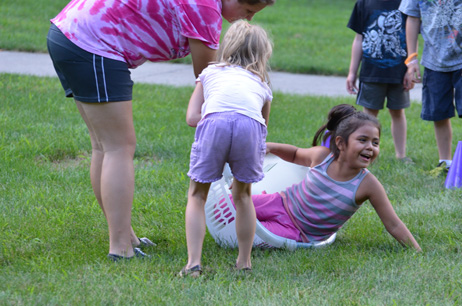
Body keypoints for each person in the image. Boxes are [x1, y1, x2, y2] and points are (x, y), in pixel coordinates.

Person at [46, 0, 275, 261]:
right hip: (92, 41)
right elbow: (211, 82)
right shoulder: (206, 9)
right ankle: (121, 248)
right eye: (249, 10)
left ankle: (124, 236)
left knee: (104, 146)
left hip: (70, 32)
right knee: (118, 147)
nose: (248, 17)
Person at [231, 104, 421, 251]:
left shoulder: (368, 185)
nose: (370, 147)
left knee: (249, 232)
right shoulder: (323, 157)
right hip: (279, 202)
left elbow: (393, 223)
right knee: (231, 204)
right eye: (362, 140)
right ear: (340, 143)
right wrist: (269, 147)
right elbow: (296, 154)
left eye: (375, 142)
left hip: (299, 232)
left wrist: (416, 250)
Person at [180, 20, 273, 277]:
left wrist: (217, 118)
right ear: (262, 54)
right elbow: (262, 126)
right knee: (243, 197)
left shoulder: (210, 73)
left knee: (197, 195)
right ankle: (244, 263)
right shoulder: (263, 86)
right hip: (250, 129)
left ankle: (193, 264)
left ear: (227, 46)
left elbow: (191, 117)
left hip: (215, 125)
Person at [346, 0, 414, 163]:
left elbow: (412, 38)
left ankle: (401, 155)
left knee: (398, 112)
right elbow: (358, 39)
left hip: (399, 72)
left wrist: (410, 67)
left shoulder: (407, 4)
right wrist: (352, 72)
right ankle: (364, 154)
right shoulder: (363, 3)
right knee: (368, 115)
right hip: (371, 73)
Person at [399, 0, 462, 175]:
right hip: (434, 61)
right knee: (438, 113)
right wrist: (411, 58)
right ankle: (445, 162)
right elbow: (412, 19)